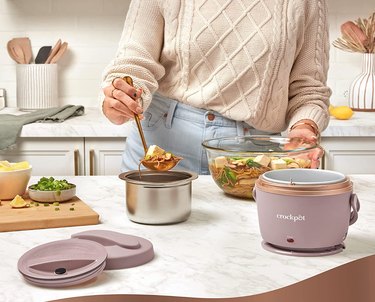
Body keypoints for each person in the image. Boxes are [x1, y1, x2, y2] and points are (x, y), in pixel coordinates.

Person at [101, 0, 330, 174]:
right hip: (162, 141)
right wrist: (124, 94)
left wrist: (304, 126)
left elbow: (308, 89)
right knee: (140, 237)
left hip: (254, 154)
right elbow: (135, 60)